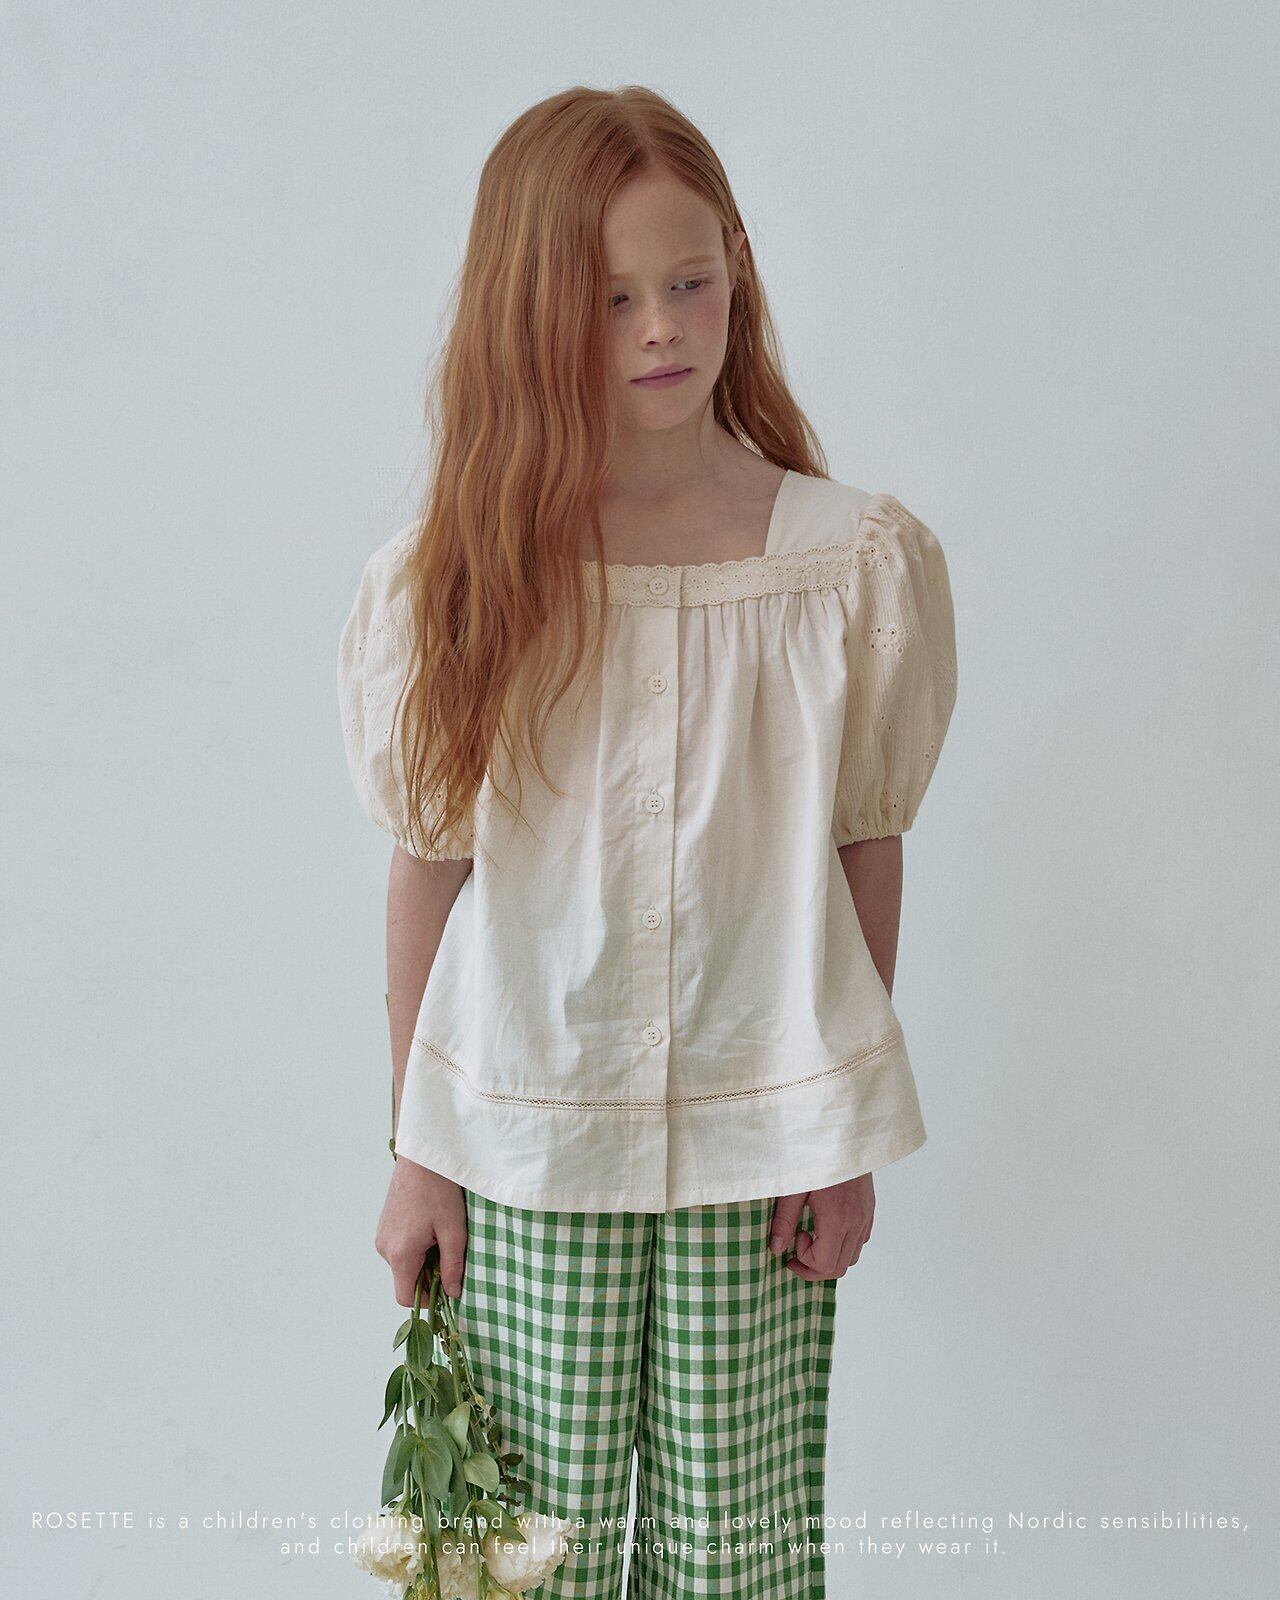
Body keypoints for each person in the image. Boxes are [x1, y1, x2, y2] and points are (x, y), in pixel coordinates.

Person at [337, 83, 958, 1600]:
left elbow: (864, 842)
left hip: (760, 1153)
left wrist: (837, 1137)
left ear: (738, 268)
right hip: (525, 1143)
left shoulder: (847, 565)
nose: (661, 329)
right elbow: (431, 865)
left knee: (738, 1559)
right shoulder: (462, 581)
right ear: (531, 311)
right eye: (611, 299)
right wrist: (417, 1157)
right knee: (515, 1559)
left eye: (690, 282)